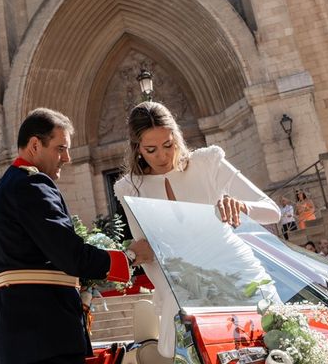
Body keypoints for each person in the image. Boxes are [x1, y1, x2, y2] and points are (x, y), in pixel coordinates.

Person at [0, 108, 153, 364]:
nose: (67, 158)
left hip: (9, 333)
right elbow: (70, 255)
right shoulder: (33, 185)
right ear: (35, 145)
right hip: (45, 331)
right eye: (60, 148)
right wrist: (128, 257)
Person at [113, 101, 280, 358]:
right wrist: (170, 293)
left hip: (237, 273)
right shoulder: (130, 188)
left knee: (269, 349)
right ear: (137, 150)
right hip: (183, 289)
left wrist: (241, 206)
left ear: (176, 137)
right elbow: (148, 253)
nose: (162, 156)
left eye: (168, 145)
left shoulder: (207, 163)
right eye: (151, 149)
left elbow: (272, 211)